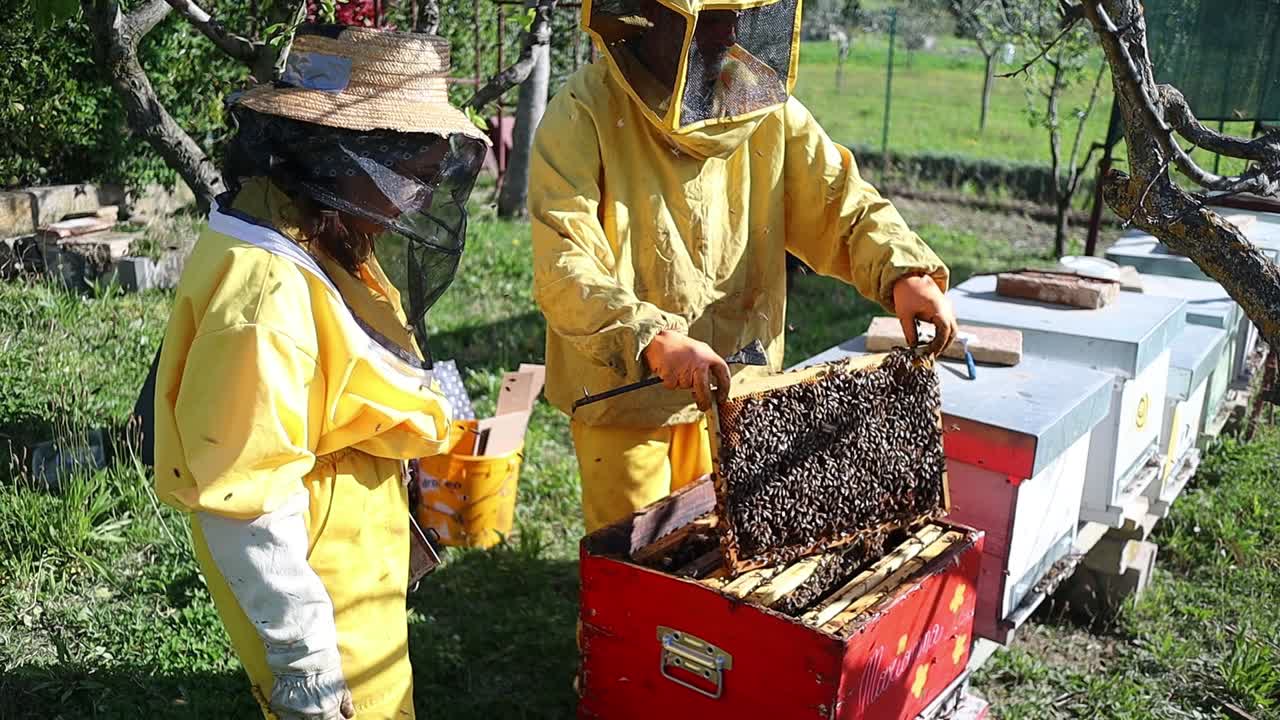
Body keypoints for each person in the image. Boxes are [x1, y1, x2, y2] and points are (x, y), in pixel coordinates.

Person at [150, 25, 488, 720]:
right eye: (411, 175)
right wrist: (306, 664)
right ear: (347, 153)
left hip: (349, 534)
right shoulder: (266, 297)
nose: (418, 199)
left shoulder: (315, 224)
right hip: (313, 569)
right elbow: (246, 504)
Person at [529, 0, 958, 533]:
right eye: (709, 17)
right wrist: (652, 338)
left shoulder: (762, 106)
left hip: (742, 387)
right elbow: (564, 262)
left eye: (740, 14)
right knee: (636, 577)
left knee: (728, 564)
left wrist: (904, 272)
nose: (729, 32)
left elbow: (839, 201)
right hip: (628, 400)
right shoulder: (583, 112)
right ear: (655, 16)